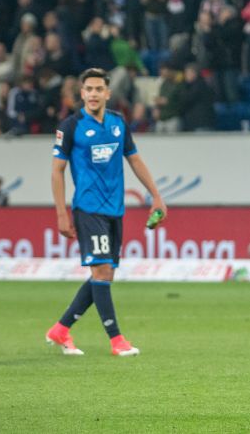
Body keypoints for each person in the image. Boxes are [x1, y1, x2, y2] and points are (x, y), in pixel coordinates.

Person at [46, 68, 167, 357]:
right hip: (88, 208)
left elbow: (135, 160)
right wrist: (61, 213)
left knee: (105, 273)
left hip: (115, 209)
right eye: (88, 89)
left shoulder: (117, 122)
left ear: (108, 93)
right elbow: (57, 171)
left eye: (99, 89)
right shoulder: (71, 126)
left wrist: (157, 196)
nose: (93, 94)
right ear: (82, 93)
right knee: (101, 270)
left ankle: (61, 329)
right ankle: (116, 340)